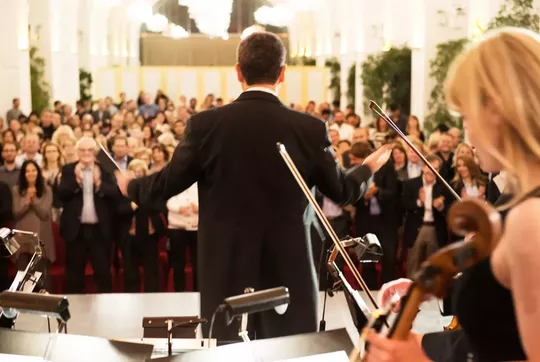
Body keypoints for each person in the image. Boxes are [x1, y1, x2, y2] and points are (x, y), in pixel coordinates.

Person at [116, 31, 391, 342]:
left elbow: (164, 186)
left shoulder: (205, 126)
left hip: (227, 267)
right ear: (283, 73)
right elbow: (342, 191)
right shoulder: (309, 129)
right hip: (290, 269)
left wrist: (130, 186)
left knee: (230, 351)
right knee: (291, 351)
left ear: (238, 72)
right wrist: (367, 168)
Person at [365, 27, 540, 362]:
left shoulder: (530, 217)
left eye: (465, 114)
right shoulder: (519, 198)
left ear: (496, 110)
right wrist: (440, 289)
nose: (465, 131)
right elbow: (505, 326)